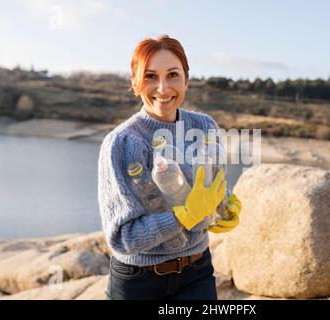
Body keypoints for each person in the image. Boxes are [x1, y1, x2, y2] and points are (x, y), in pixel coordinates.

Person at [98, 35, 242, 300]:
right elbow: (122, 239)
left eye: (173, 75)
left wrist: (224, 206)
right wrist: (183, 216)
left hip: (197, 273)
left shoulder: (205, 127)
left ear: (186, 78)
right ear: (135, 82)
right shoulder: (121, 143)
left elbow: (210, 189)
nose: (163, 88)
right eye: (151, 76)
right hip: (137, 283)